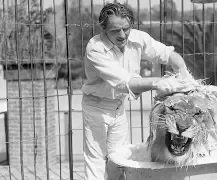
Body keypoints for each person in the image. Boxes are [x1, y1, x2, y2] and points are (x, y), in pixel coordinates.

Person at [81, 2, 196, 180]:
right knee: (96, 162)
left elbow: (167, 54)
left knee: (119, 159)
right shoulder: (95, 49)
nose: (122, 35)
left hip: (119, 107)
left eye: (126, 28)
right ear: (103, 29)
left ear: (131, 25)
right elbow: (125, 82)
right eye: (115, 30)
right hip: (96, 108)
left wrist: (183, 72)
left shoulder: (137, 37)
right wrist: (160, 83)